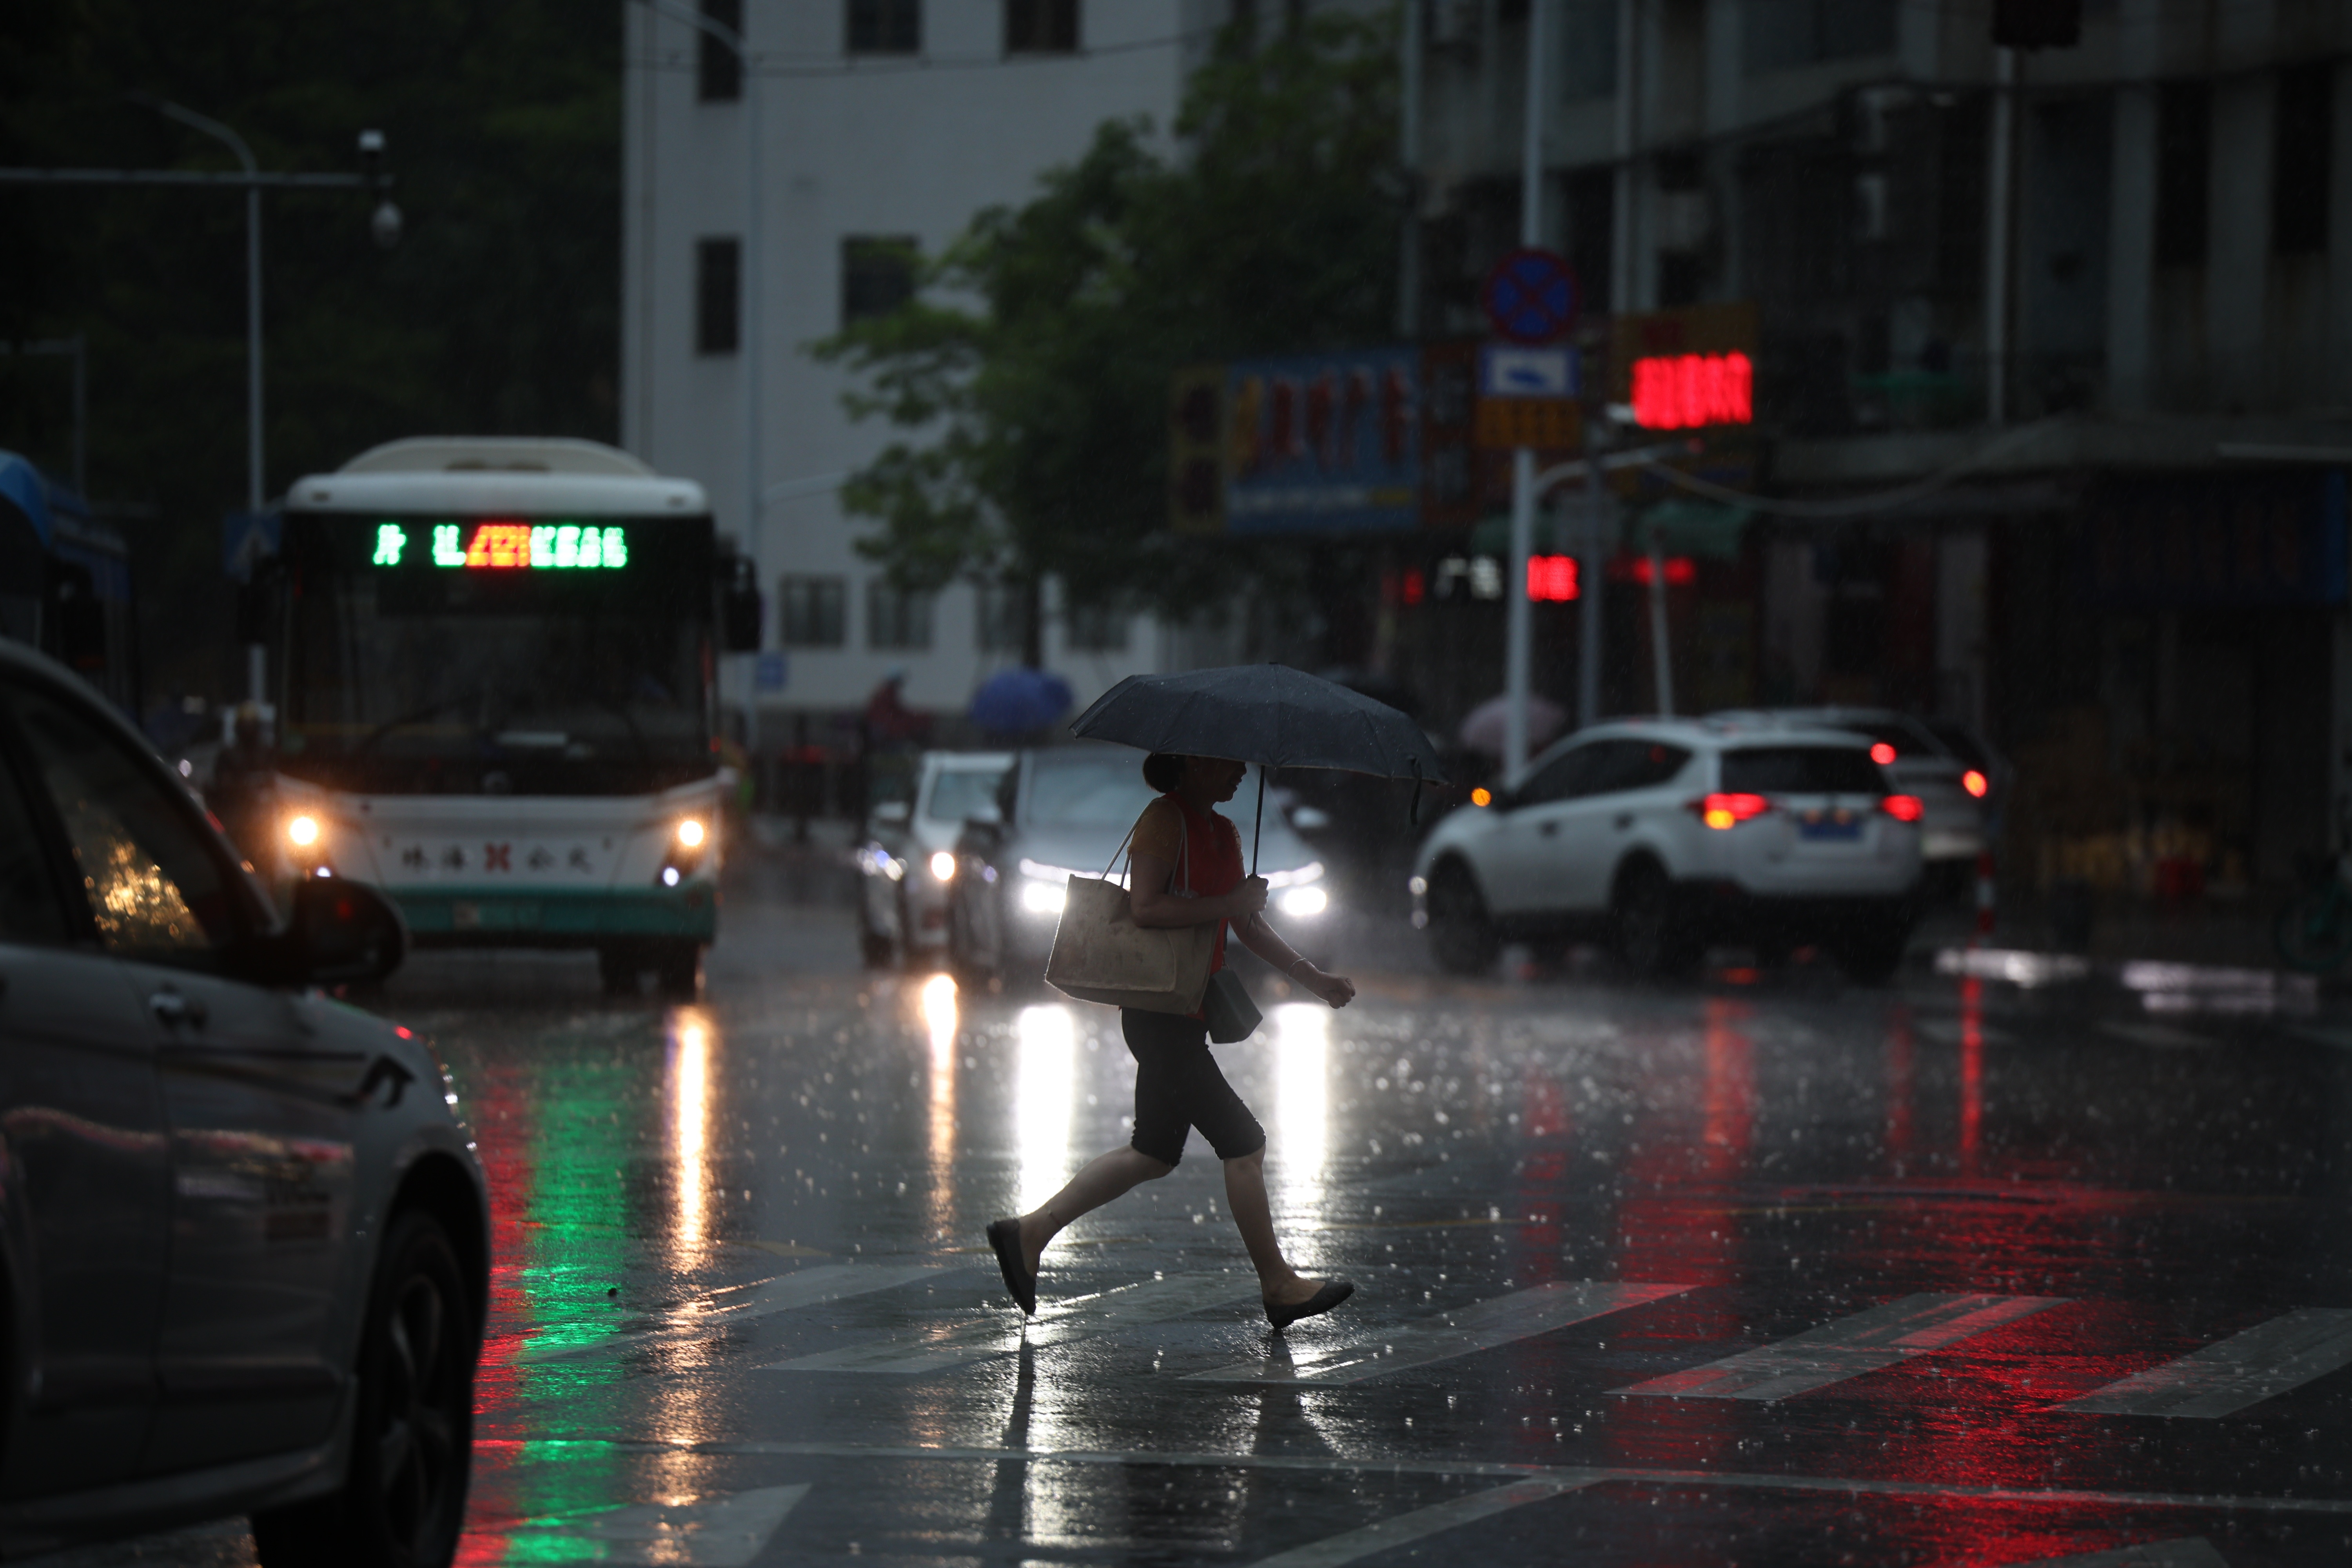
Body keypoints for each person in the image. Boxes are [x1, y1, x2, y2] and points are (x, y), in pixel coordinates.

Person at [987, 751, 1357, 1331]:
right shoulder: (1164, 819)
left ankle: (1027, 1233)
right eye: (1226, 763)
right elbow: (1145, 907)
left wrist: (1314, 978)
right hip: (1157, 1012)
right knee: (1244, 1143)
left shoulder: (1224, 830)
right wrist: (1227, 904)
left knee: (1153, 1155)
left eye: (1241, 764)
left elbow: (1246, 926)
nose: (1240, 772)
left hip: (1189, 1010)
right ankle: (1278, 1285)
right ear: (1190, 766)